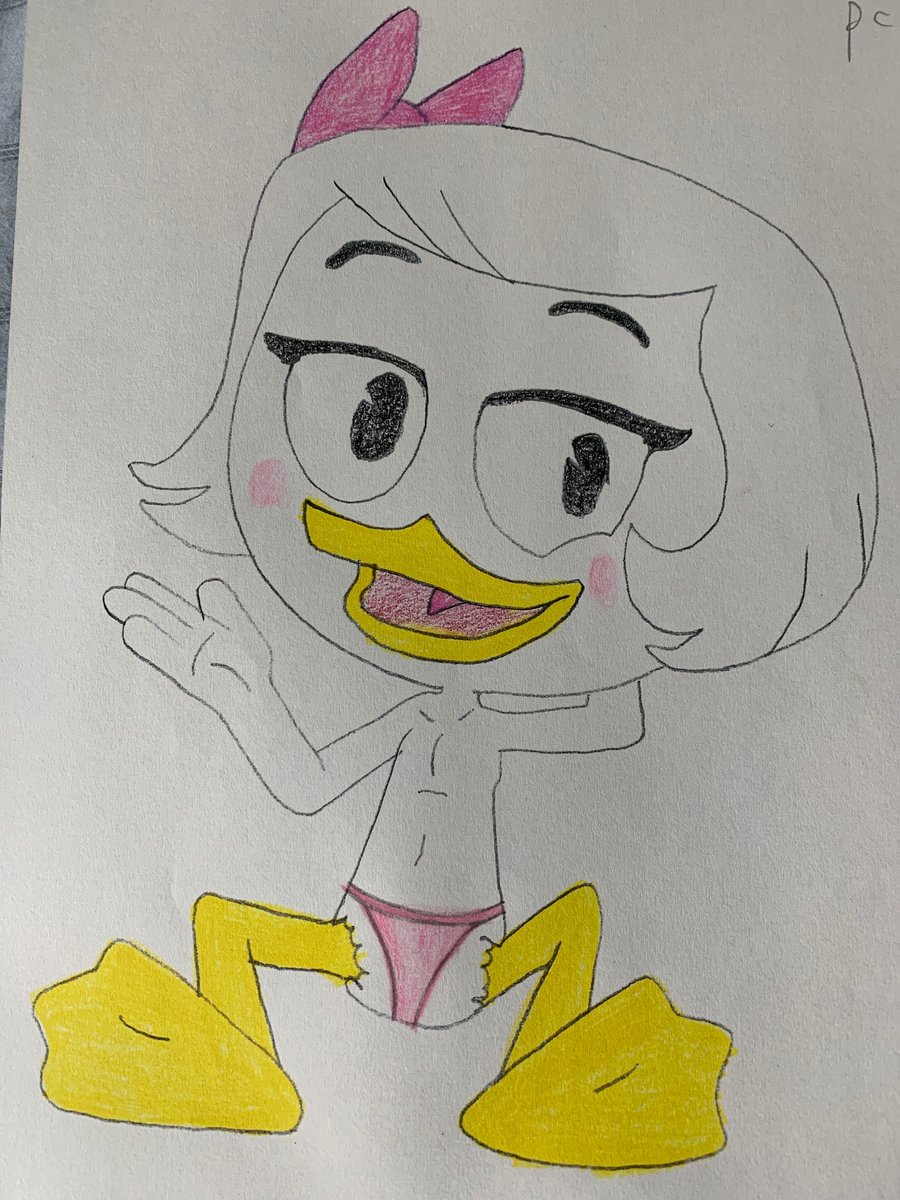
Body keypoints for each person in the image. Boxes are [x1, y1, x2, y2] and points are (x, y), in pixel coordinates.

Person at [34, 9, 876, 1171]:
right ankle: (234, 1063)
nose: (435, 526)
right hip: (367, 939)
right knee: (239, 926)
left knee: (548, 927)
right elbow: (309, 779)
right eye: (367, 414)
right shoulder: (444, 717)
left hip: (473, 947)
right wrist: (233, 685)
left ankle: (546, 1085)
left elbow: (601, 722)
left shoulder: (479, 714)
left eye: (580, 465)